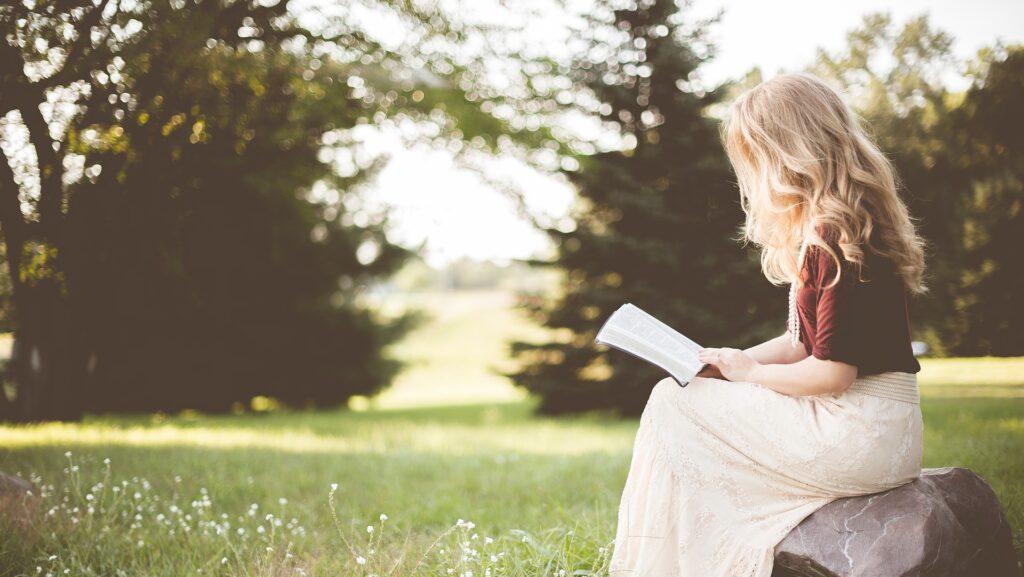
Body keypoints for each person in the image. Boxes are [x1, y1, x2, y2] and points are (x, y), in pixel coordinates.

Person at [608, 72, 928, 577]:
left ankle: (664, 565)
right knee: (682, 395)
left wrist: (749, 375)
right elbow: (801, 344)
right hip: (883, 431)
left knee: (671, 402)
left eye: (755, 156)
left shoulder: (832, 235)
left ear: (787, 152)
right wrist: (726, 361)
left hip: (858, 432)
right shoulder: (848, 222)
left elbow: (831, 374)